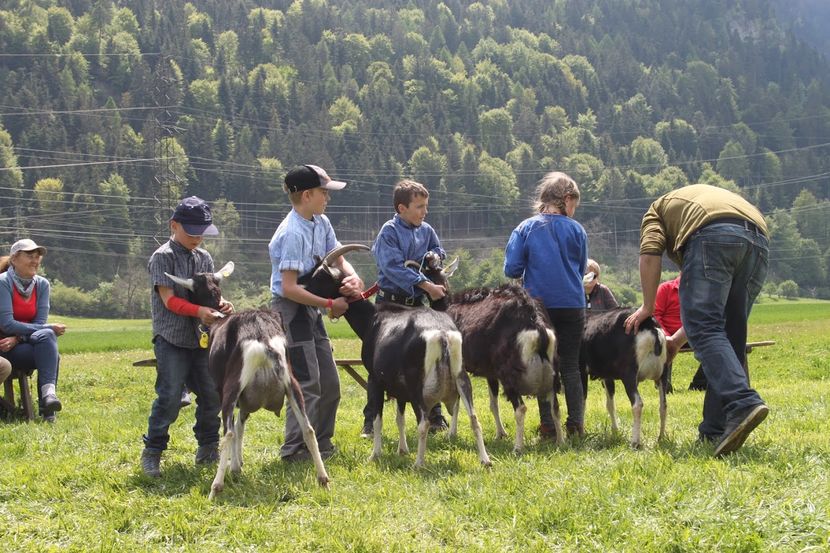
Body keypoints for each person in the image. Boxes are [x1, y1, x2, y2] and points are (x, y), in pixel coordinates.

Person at [624, 184, 769, 457]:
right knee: (730, 334)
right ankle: (715, 429)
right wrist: (678, 340)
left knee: (706, 326)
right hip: (758, 238)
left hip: (713, 235)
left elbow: (650, 254)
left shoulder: (656, 210)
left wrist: (647, 305)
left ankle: (742, 402)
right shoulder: (697, 201)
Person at [269, 164, 364, 462]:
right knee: (307, 382)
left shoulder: (321, 222)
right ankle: (295, 449)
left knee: (330, 383)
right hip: (292, 312)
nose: (328, 198)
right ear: (307, 195)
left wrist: (353, 277)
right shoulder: (292, 233)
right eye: (324, 192)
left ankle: (321, 443)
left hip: (311, 309)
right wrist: (328, 305)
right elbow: (288, 288)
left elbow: (337, 257)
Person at [140, 197, 234, 477]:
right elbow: (169, 300)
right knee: (169, 396)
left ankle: (208, 448)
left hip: (202, 340)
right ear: (174, 225)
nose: (197, 238)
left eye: (201, 232)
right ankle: (153, 451)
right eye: (191, 232)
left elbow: (210, 294)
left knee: (212, 395)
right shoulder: (162, 257)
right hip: (171, 339)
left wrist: (222, 305)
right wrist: (199, 311)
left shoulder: (204, 258)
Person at [361, 179, 449, 438]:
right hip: (389, 305)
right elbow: (393, 268)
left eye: (426, 206)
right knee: (378, 365)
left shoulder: (426, 229)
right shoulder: (389, 232)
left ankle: (435, 417)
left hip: (417, 306)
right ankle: (371, 423)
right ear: (402, 208)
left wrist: (436, 256)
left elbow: (438, 249)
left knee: (425, 361)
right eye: (419, 207)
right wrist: (426, 285)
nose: (424, 212)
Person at [505, 171, 588, 439]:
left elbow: (512, 268)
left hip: (539, 307)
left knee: (543, 364)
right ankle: (576, 425)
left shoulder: (526, 228)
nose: (574, 209)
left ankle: (548, 427)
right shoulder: (578, 230)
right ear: (565, 199)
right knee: (572, 366)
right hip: (574, 305)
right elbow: (582, 268)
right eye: (574, 202)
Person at [0, 240, 65, 423]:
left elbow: (39, 323)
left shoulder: (42, 285)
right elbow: (6, 324)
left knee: (47, 337)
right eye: (29, 255)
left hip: (20, 343)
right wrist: (47, 328)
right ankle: (48, 410)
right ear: (14, 259)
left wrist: (18, 338)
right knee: (50, 344)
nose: (35, 260)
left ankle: (48, 397)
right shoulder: (3, 283)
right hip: (3, 347)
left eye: (38, 256)